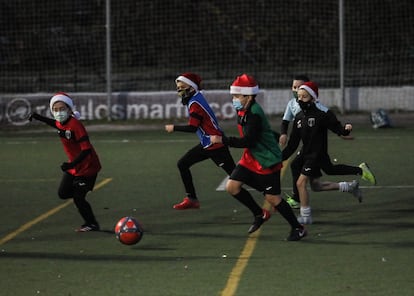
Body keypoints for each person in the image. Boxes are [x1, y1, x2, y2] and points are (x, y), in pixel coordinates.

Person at [165, 72, 270, 233]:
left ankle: (265, 199)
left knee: (236, 177)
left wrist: (174, 128)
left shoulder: (195, 104)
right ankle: (192, 199)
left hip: (216, 146)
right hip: (208, 144)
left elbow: (193, 127)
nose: (179, 91)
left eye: (182, 88)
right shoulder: (195, 99)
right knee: (183, 163)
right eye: (178, 88)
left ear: (191, 88)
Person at [211, 74, 307, 241]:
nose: (233, 99)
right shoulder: (242, 109)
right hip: (251, 157)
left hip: (267, 159)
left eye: (236, 96)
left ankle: (298, 228)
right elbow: (263, 132)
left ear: (248, 96)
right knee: (232, 186)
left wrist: (223, 140)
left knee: (273, 198)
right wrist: (278, 135)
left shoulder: (254, 113)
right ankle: (260, 214)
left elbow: (248, 140)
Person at [282, 81, 373, 224]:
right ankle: (350, 186)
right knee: (317, 184)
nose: (300, 100)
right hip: (306, 153)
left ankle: (306, 216)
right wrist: (278, 158)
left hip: (316, 154)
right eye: (298, 97)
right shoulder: (299, 118)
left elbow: (337, 128)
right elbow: (293, 144)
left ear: (313, 98)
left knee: (301, 183)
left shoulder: (322, 115)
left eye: (304, 97)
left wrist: (345, 130)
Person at [28, 92, 102, 232]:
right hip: (74, 166)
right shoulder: (61, 123)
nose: (58, 112)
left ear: (69, 109)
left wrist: (71, 165)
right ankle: (80, 188)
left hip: (87, 167)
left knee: (78, 198)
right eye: (55, 110)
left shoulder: (76, 125)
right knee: (63, 193)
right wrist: (38, 117)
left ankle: (92, 224)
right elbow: (54, 123)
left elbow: (86, 150)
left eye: (62, 109)